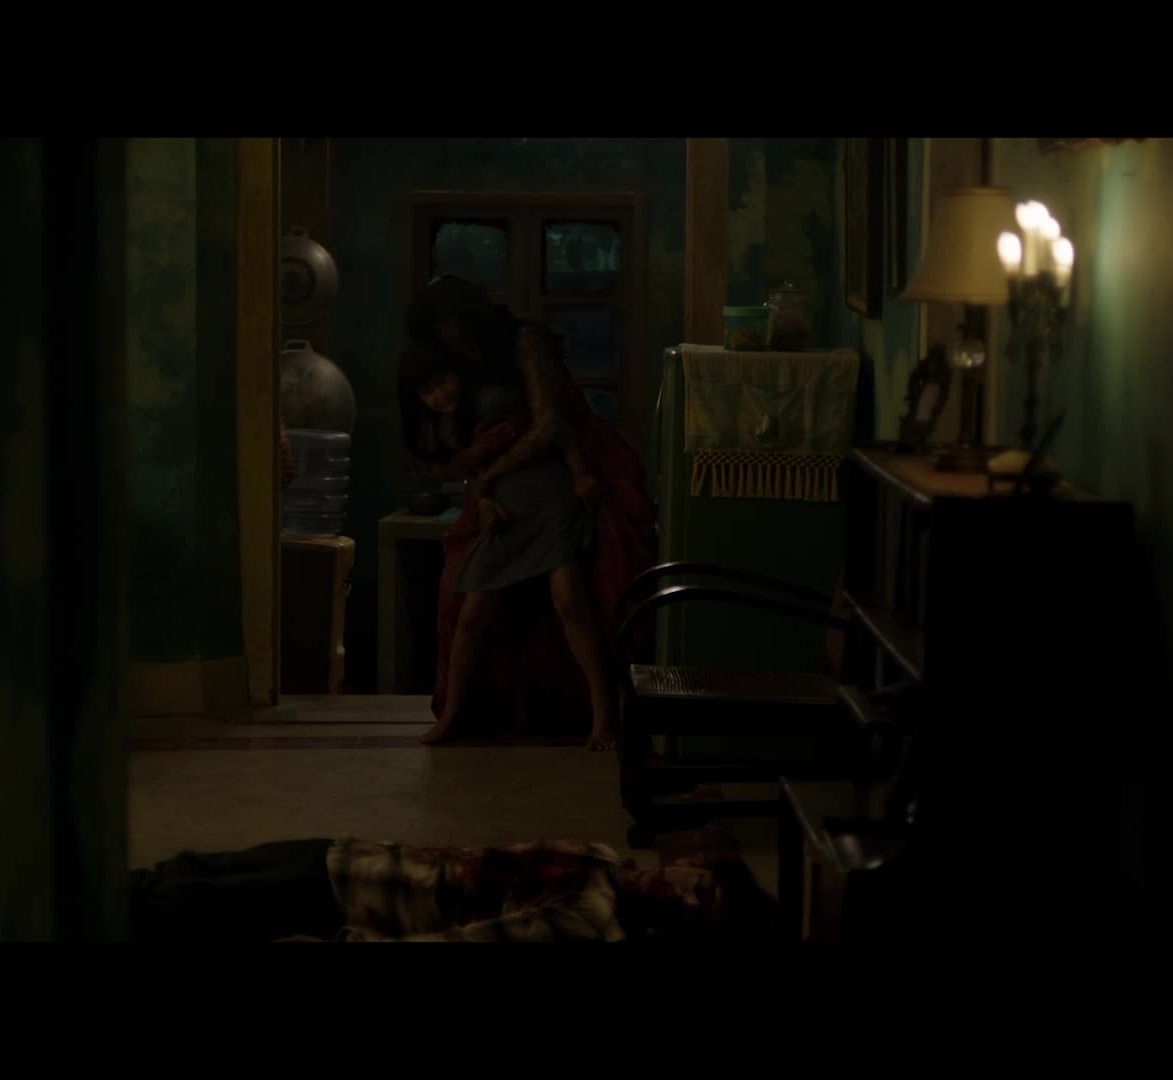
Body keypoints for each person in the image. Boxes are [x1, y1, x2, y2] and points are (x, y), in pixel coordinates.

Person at [399, 276, 657, 751]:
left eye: (448, 324)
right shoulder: (461, 367)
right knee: (472, 610)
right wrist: (481, 487)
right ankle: (454, 712)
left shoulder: (524, 341)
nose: (447, 336)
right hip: (504, 500)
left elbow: (552, 424)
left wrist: (491, 471)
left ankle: (603, 712)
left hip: (550, 487)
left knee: (570, 599)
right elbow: (462, 448)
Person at [129, 836, 776, 943]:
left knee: (170, 908)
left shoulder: (590, 918)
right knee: (184, 873)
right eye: (702, 885)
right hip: (350, 856)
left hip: (347, 898)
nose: (685, 890)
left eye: (697, 907)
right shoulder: (606, 862)